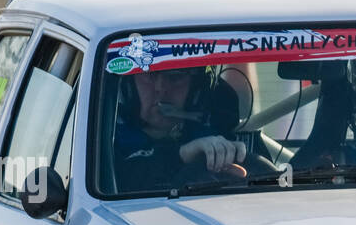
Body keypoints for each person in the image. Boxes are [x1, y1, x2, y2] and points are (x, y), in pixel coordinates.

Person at [113, 65, 264, 191]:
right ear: (129, 85)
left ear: (196, 87)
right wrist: (181, 156)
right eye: (148, 75)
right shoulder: (102, 135)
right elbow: (114, 185)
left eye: (175, 77)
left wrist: (235, 160)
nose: (160, 88)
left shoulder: (229, 135)